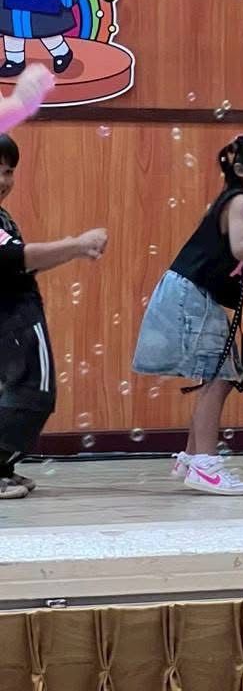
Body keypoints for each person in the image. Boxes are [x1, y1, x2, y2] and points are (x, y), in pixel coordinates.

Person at [132, 134, 243, 496]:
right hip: (191, 293)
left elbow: (230, 258)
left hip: (192, 290)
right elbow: (240, 247)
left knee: (219, 374)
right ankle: (205, 465)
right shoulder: (241, 199)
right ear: (240, 170)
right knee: (219, 376)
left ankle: (192, 457)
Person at [0, 64, 108, 498]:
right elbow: (13, 258)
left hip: (14, 316)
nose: (4, 180)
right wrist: (76, 245)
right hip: (13, 320)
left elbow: (17, 263)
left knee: (23, 393)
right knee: (33, 394)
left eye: (9, 171)